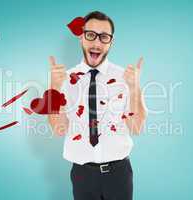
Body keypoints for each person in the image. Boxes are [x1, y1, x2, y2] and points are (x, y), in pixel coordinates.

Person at [47, 10, 147, 200]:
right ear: (81, 38)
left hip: (119, 174)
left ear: (111, 42)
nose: (96, 43)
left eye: (104, 37)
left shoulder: (125, 78)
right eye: (90, 35)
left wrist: (134, 89)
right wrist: (54, 89)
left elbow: (137, 127)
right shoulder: (64, 79)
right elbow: (58, 129)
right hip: (82, 175)